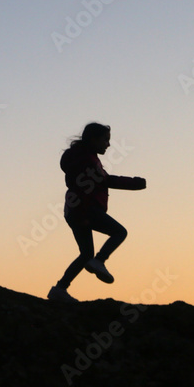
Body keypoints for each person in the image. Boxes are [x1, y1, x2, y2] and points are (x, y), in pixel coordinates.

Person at [48, 123, 146, 303]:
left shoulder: (82, 158)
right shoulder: (88, 160)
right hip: (85, 209)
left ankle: (60, 289)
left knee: (85, 254)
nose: (108, 144)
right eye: (105, 140)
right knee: (119, 232)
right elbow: (95, 184)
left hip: (73, 210)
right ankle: (99, 261)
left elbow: (98, 181)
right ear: (93, 139)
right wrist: (135, 184)